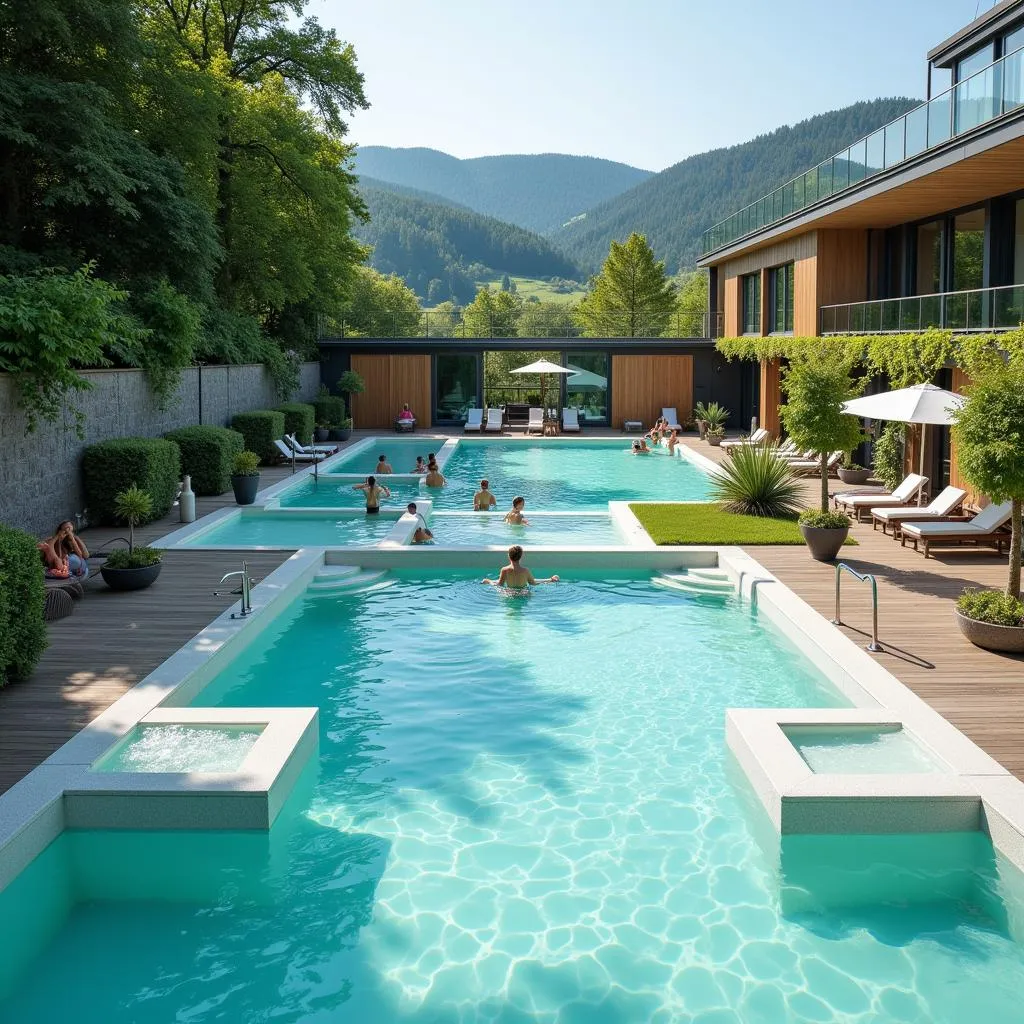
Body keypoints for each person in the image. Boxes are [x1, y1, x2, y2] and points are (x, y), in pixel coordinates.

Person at [482, 545, 559, 589]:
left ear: (509, 556)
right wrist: (550, 580)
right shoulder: (525, 571)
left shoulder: (504, 570)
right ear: (521, 557)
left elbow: (499, 584)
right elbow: (533, 583)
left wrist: (489, 581)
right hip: (524, 594)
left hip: (509, 594)